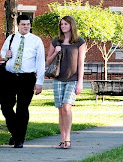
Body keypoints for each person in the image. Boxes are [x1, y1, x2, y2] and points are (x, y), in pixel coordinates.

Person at [0, 14, 45, 148]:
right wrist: (5, 55)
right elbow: (2, 52)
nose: (26, 26)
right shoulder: (11, 38)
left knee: (22, 109)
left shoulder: (36, 41)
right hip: (9, 77)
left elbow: (40, 62)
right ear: (18, 25)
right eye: (23, 24)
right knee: (6, 107)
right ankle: (15, 132)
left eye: (28, 24)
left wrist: (39, 82)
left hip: (27, 78)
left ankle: (19, 139)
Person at [45, 16, 86, 149]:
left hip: (72, 79)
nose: (63, 26)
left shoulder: (79, 42)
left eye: (66, 24)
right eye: (61, 24)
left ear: (71, 25)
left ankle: (67, 139)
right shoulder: (56, 41)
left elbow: (81, 63)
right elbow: (48, 61)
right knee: (61, 109)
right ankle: (62, 139)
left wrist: (80, 82)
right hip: (58, 78)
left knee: (67, 107)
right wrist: (55, 52)